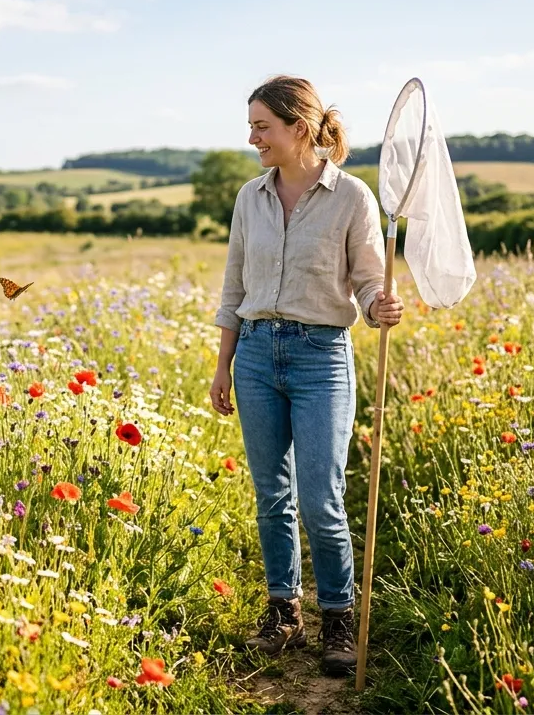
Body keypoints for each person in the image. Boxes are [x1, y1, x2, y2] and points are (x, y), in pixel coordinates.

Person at [209, 75, 403, 676]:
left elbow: (371, 278)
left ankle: (339, 618)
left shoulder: (352, 198)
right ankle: (283, 611)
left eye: (262, 127)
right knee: (273, 494)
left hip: (322, 356)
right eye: (251, 126)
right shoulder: (250, 197)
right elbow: (234, 285)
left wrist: (380, 305)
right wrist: (223, 363)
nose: (252, 138)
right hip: (258, 356)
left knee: (320, 497)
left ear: (300, 128)